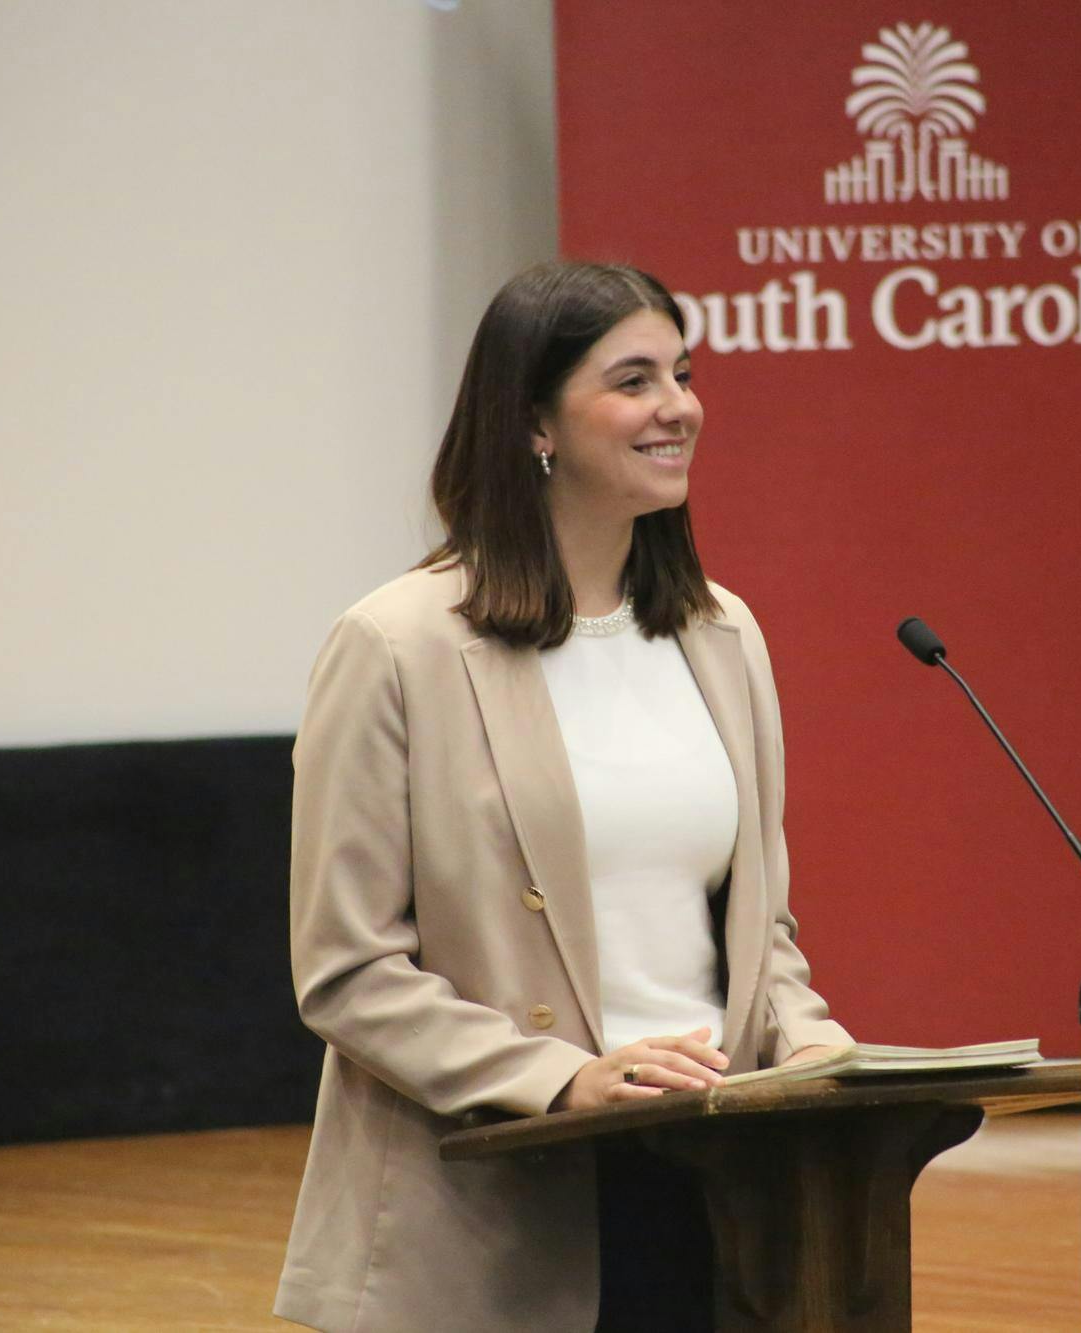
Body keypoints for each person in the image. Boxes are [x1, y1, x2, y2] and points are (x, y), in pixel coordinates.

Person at [273, 261, 852, 1333]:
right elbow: (347, 970)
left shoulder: (722, 633)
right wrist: (561, 1076)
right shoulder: (395, 644)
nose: (678, 407)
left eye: (683, 374)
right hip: (492, 1194)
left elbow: (758, 931)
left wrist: (814, 1050)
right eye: (634, 381)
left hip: (714, 1177)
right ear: (534, 421)